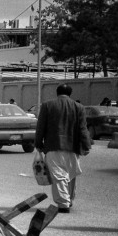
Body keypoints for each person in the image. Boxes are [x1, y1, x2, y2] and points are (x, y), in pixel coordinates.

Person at [35, 83, 92, 214]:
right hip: (72, 147)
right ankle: (69, 199)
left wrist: (38, 143)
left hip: (53, 145)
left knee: (58, 176)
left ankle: (63, 203)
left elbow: (40, 127)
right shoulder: (79, 107)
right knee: (70, 175)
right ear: (70, 93)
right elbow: (83, 129)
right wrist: (86, 145)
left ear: (57, 92)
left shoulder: (47, 105)